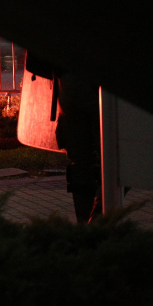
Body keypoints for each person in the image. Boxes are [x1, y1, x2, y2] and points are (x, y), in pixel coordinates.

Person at [25, 53, 101, 223]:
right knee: (118, 159)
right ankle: (97, 218)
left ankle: (86, 222)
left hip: (67, 79)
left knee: (81, 162)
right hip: (99, 81)